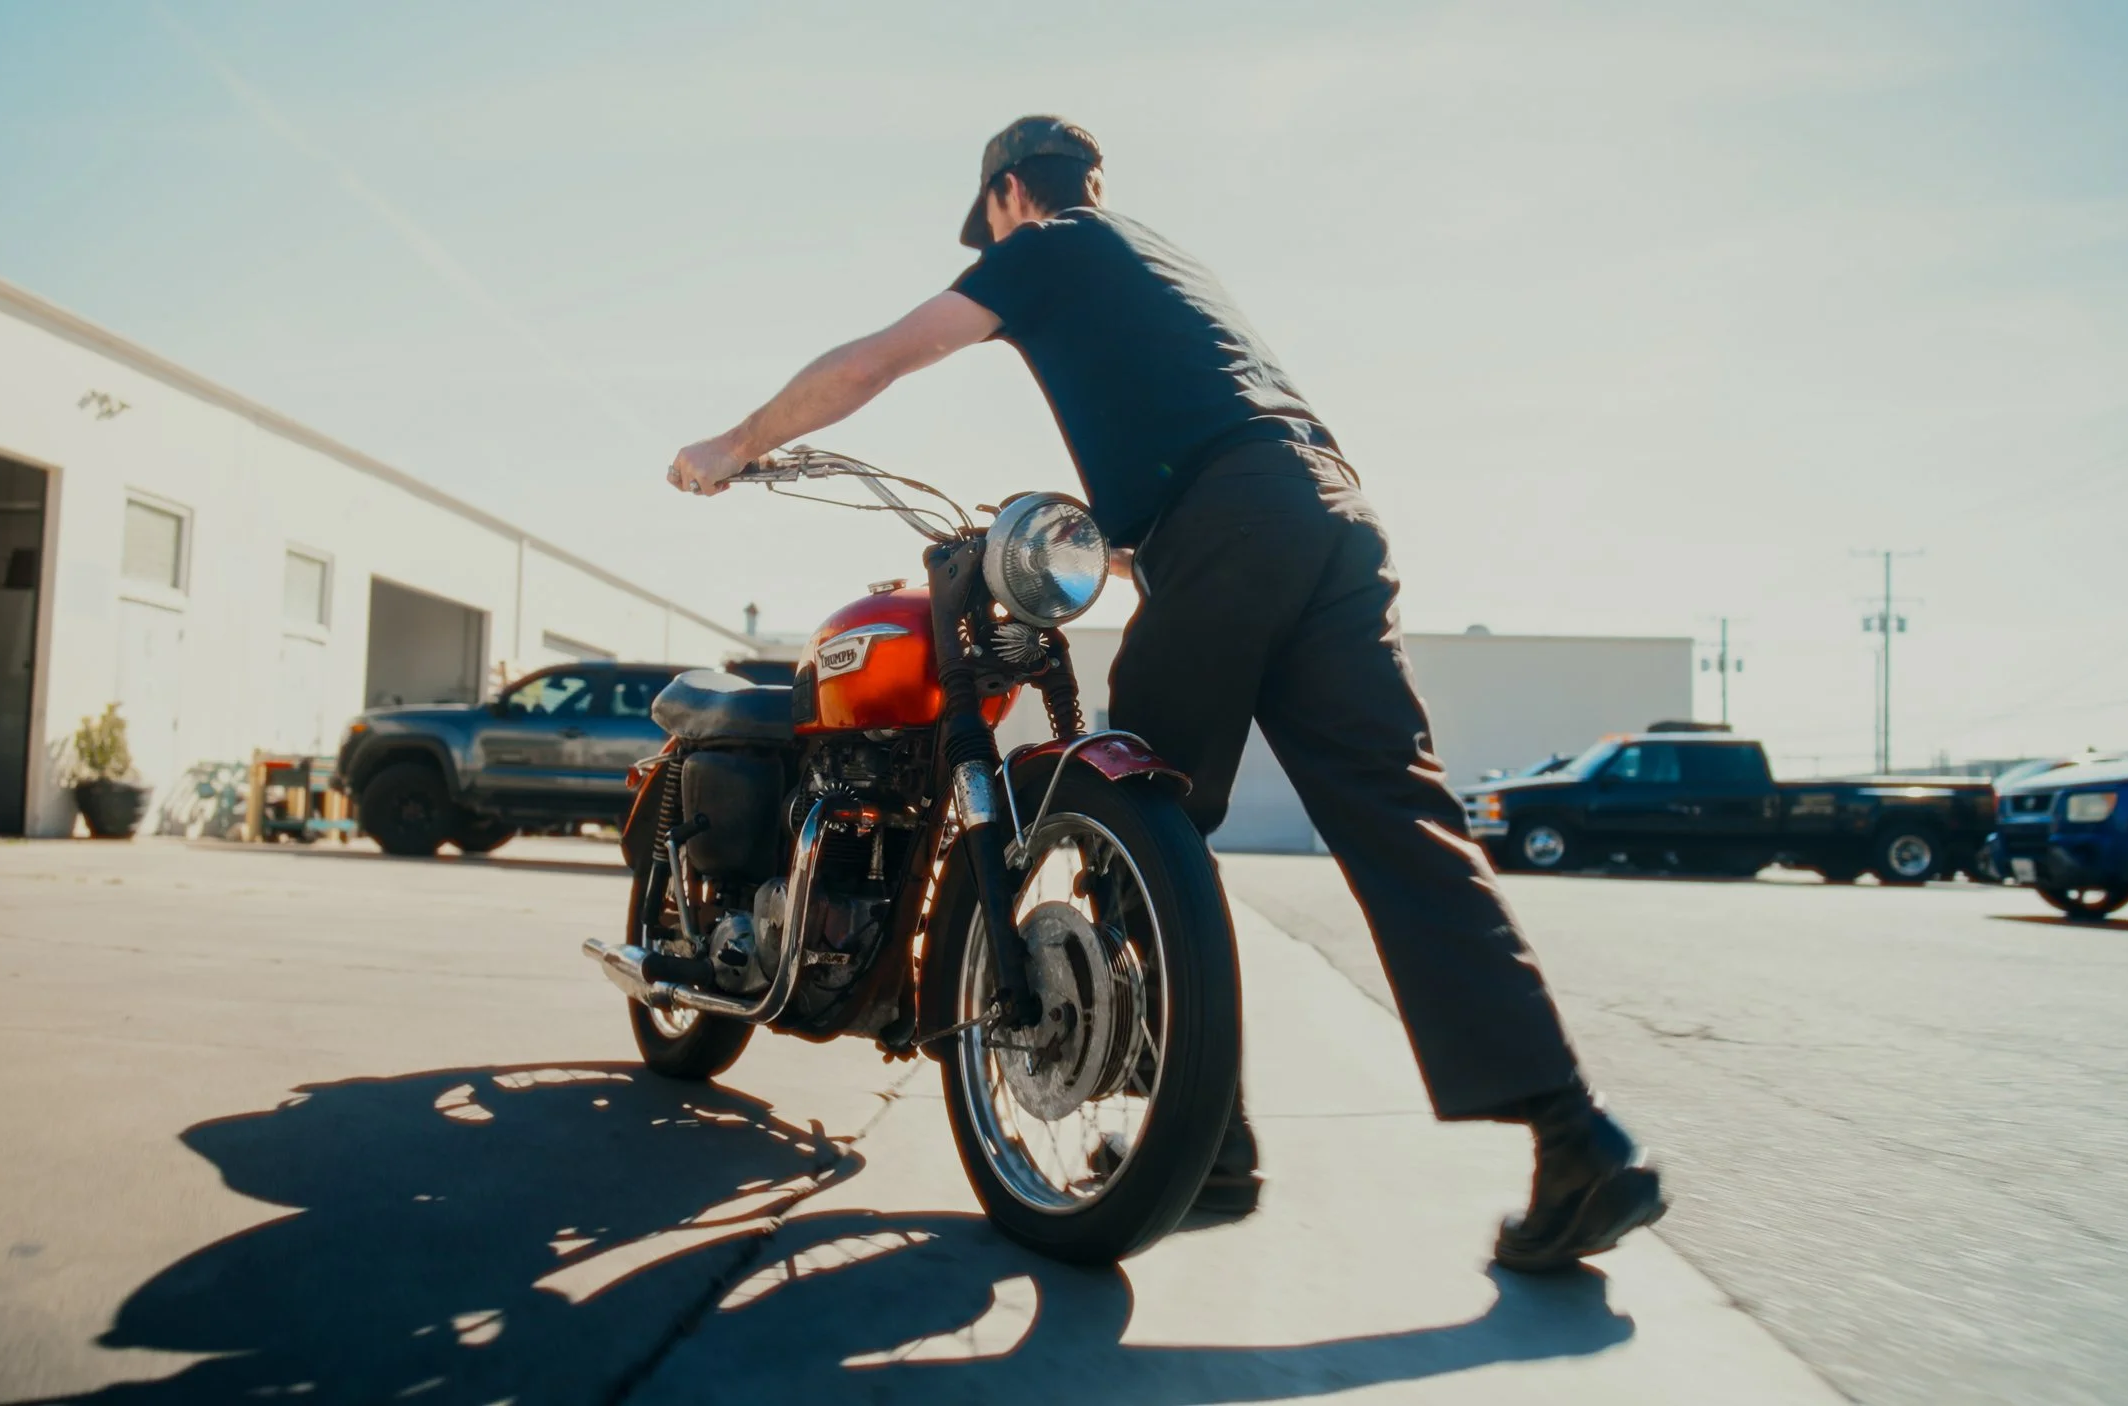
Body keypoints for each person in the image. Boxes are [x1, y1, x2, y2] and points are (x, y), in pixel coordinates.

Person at [667, 116, 1666, 1272]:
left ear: (1007, 194)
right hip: (1330, 512)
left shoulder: (1048, 244)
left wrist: (736, 441)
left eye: (991, 219)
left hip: (1228, 518)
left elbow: (877, 359)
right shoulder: (1164, 261)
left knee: (1127, 813)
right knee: (1403, 822)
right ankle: (1574, 1135)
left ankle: (1203, 1146)